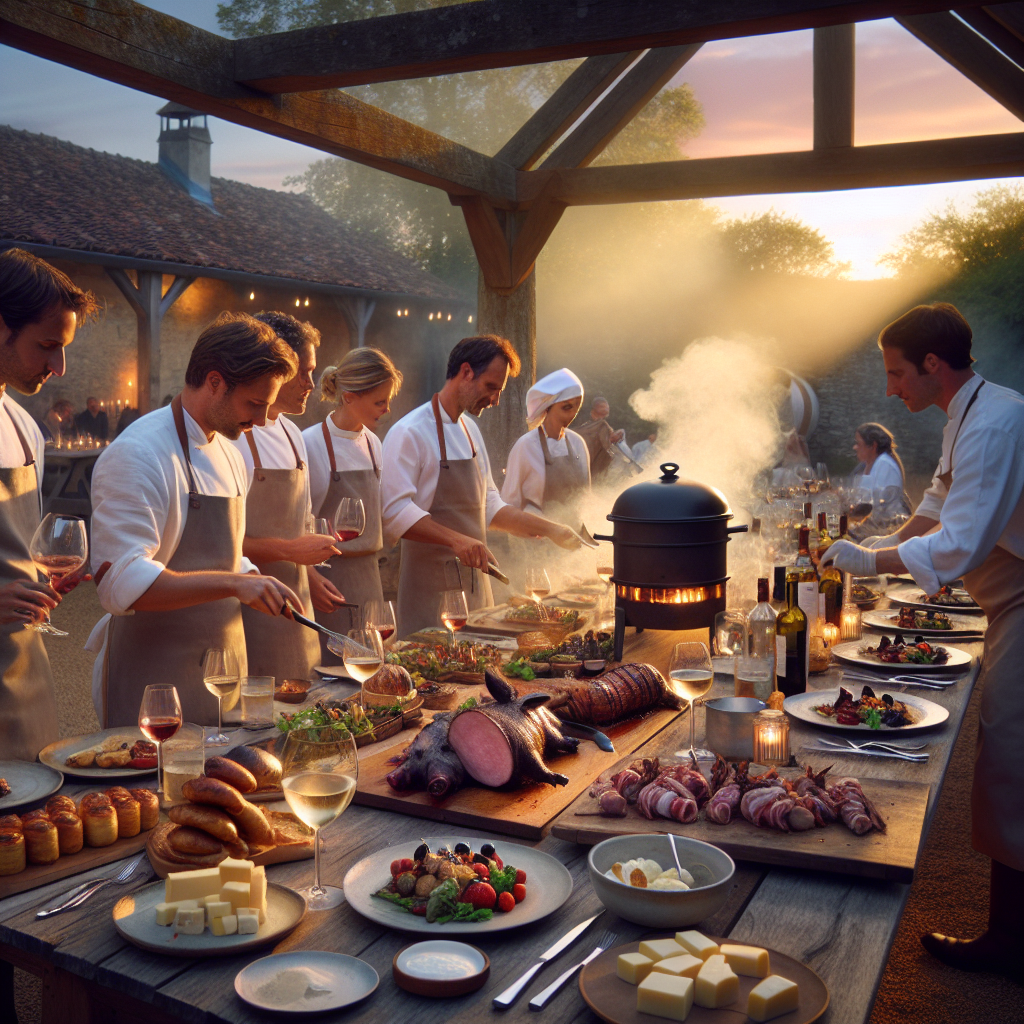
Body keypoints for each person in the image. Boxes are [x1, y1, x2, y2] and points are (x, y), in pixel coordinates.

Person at [823, 302, 1024, 981]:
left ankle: (1011, 942)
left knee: (1010, 751)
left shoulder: (995, 422)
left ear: (933, 365)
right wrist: (878, 546)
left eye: (897, 372)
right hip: (1009, 603)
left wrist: (866, 562)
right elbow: (935, 508)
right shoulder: (966, 413)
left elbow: (963, 541)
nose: (890, 388)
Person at [88, 313, 303, 727]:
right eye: (254, 404)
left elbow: (228, 555)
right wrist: (234, 583)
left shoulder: (231, 454)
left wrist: (254, 576)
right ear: (215, 381)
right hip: (155, 684)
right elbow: (119, 584)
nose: (260, 421)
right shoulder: (138, 453)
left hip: (225, 676)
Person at [380, 335, 580, 637]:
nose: (495, 400)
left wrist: (552, 529)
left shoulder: (470, 429)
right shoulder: (409, 432)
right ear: (466, 372)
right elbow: (394, 512)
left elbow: (490, 505)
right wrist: (458, 541)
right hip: (428, 594)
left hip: (477, 592)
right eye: (491, 387)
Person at [0, 247, 95, 761]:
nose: (59, 368)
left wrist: (44, 581)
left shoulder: (24, 428)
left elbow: (18, 549)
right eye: (48, 345)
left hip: (26, 670)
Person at [232, 312, 335, 681]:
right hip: (252, 607)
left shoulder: (294, 435)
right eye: (304, 371)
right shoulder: (236, 438)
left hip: (297, 602)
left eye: (313, 371)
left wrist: (309, 573)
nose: (312, 383)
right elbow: (223, 545)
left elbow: (301, 522)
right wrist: (292, 552)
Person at [303, 348, 403, 663]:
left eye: (388, 401)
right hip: (329, 586)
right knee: (333, 676)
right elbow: (300, 524)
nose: (386, 410)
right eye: (379, 402)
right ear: (349, 397)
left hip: (371, 581)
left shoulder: (374, 444)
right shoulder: (309, 444)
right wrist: (309, 578)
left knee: (373, 675)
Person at [501, 367, 590, 519]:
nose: (573, 413)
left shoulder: (577, 443)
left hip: (572, 534)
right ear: (547, 406)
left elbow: (587, 497)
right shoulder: (526, 445)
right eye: (567, 407)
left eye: (577, 406)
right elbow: (509, 502)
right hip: (535, 536)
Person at [575, 396, 624, 479]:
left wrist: (612, 439)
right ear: (594, 408)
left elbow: (607, 444)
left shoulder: (603, 425)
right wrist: (611, 439)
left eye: (607, 407)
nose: (606, 409)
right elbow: (605, 443)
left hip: (594, 465)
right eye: (602, 406)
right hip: (582, 460)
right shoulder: (596, 424)